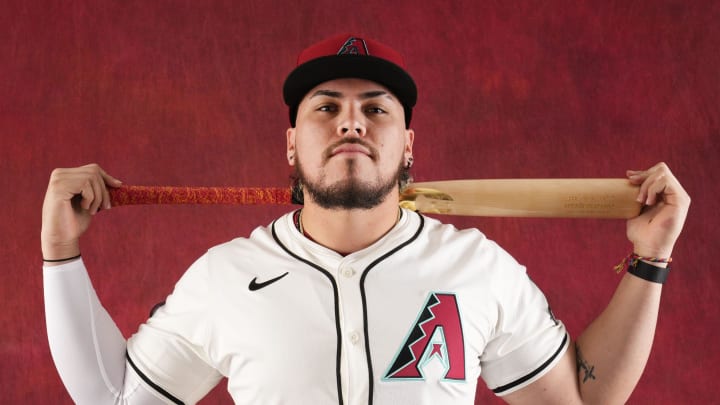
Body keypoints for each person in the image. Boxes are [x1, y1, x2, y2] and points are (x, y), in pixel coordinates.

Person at [42, 33, 690, 405]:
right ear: (291, 146)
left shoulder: (477, 267)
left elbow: (581, 399)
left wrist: (650, 258)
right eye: (325, 106)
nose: (351, 118)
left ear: (408, 147)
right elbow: (110, 397)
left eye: (376, 108)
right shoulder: (224, 277)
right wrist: (59, 254)